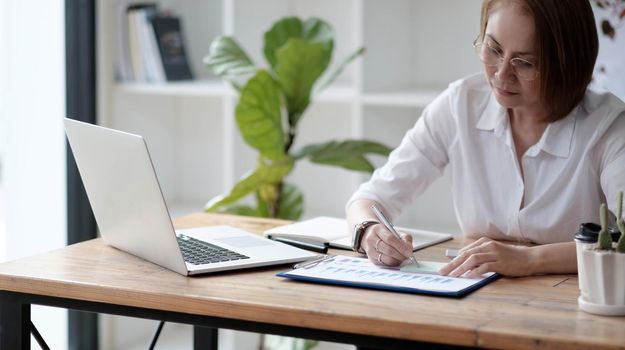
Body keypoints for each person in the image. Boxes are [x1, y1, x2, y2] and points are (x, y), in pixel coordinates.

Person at [346, 0, 625, 278]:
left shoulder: (609, 128)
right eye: (493, 49)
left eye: (525, 62)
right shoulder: (460, 105)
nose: (501, 74)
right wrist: (369, 231)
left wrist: (529, 260)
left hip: (573, 304)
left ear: (567, 64)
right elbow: (370, 198)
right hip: (475, 297)